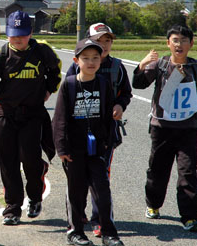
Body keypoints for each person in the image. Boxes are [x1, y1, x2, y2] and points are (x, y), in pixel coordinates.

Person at [0, 10, 62, 225]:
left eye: (22, 34)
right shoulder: (1, 55)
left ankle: (35, 198)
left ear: (30, 33)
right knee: (7, 163)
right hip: (5, 114)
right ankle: (13, 207)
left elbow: (56, 71)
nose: (17, 39)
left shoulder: (42, 51)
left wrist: (49, 89)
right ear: (7, 33)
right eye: (13, 34)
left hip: (33, 115)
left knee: (30, 160)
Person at [132, 24, 197, 232]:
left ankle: (189, 217)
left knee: (188, 172)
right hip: (162, 127)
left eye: (184, 40)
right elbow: (138, 84)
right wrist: (142, 64)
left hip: (187, 128)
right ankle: (153, 204)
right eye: (175, 40)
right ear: (168, 43)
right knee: (158, 170)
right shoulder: (159, 65)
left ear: (191, 44)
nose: (179, 44)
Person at [53, 38, 124, 246]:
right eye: (85, 58)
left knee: (102, 189)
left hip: (97, 149)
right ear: (76, 60)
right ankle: (75, 232)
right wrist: (62, 147)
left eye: (95, 57)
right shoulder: (69, 84)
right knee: (76, 190)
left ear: (101, 60)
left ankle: (109, 233)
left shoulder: (103, 84)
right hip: (73, 149)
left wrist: (107, 143)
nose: (91, 62)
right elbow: (59, 119)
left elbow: (107, 117)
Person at [65, 23, 132, 238]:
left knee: (101, 178)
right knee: (77, 179)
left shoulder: (117, 67)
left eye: (107, 41)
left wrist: (120, 105)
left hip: (104, 133)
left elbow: (125, 93)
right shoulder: (77, 67)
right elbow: (64, 101)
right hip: (77, 135)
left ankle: (99, 219)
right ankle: (77, 217)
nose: (103, 45)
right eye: (98, 40)